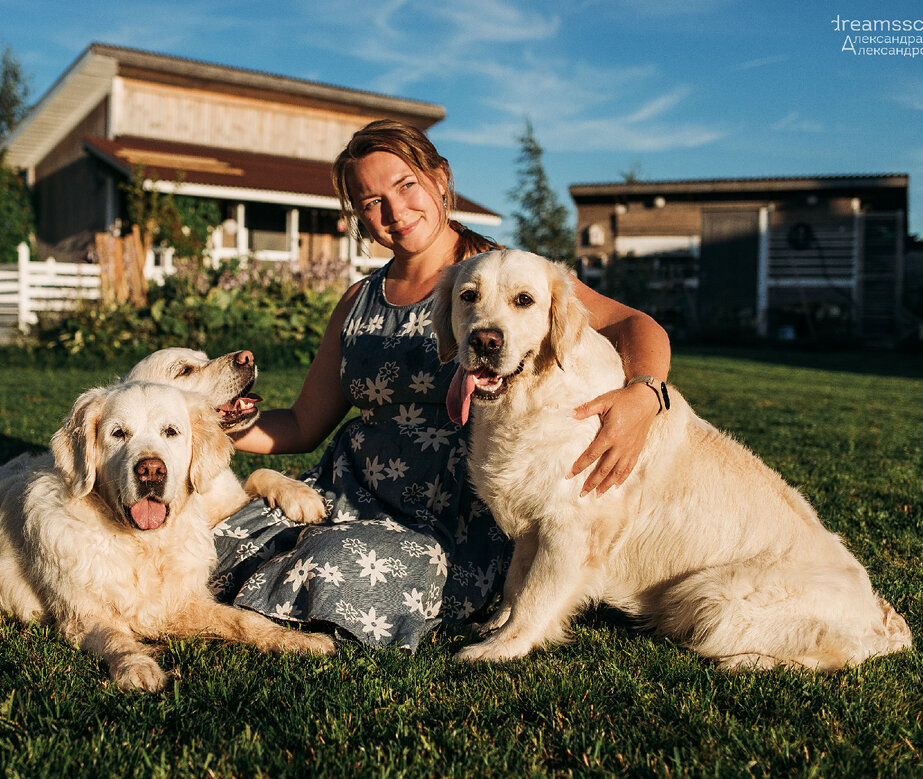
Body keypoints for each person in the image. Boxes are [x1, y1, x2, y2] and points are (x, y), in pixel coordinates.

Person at [210, 119, 671, 650]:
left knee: (338, 562)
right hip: (348, 488)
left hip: (450, 514)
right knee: (226, 540)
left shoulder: (507, 276)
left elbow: (633, 324)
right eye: (371, 202)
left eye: (406, 186)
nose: (395, 212)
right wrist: (205, 422)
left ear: (440, 179)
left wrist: (645, 392)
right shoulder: (358, 299)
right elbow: (301, 423)